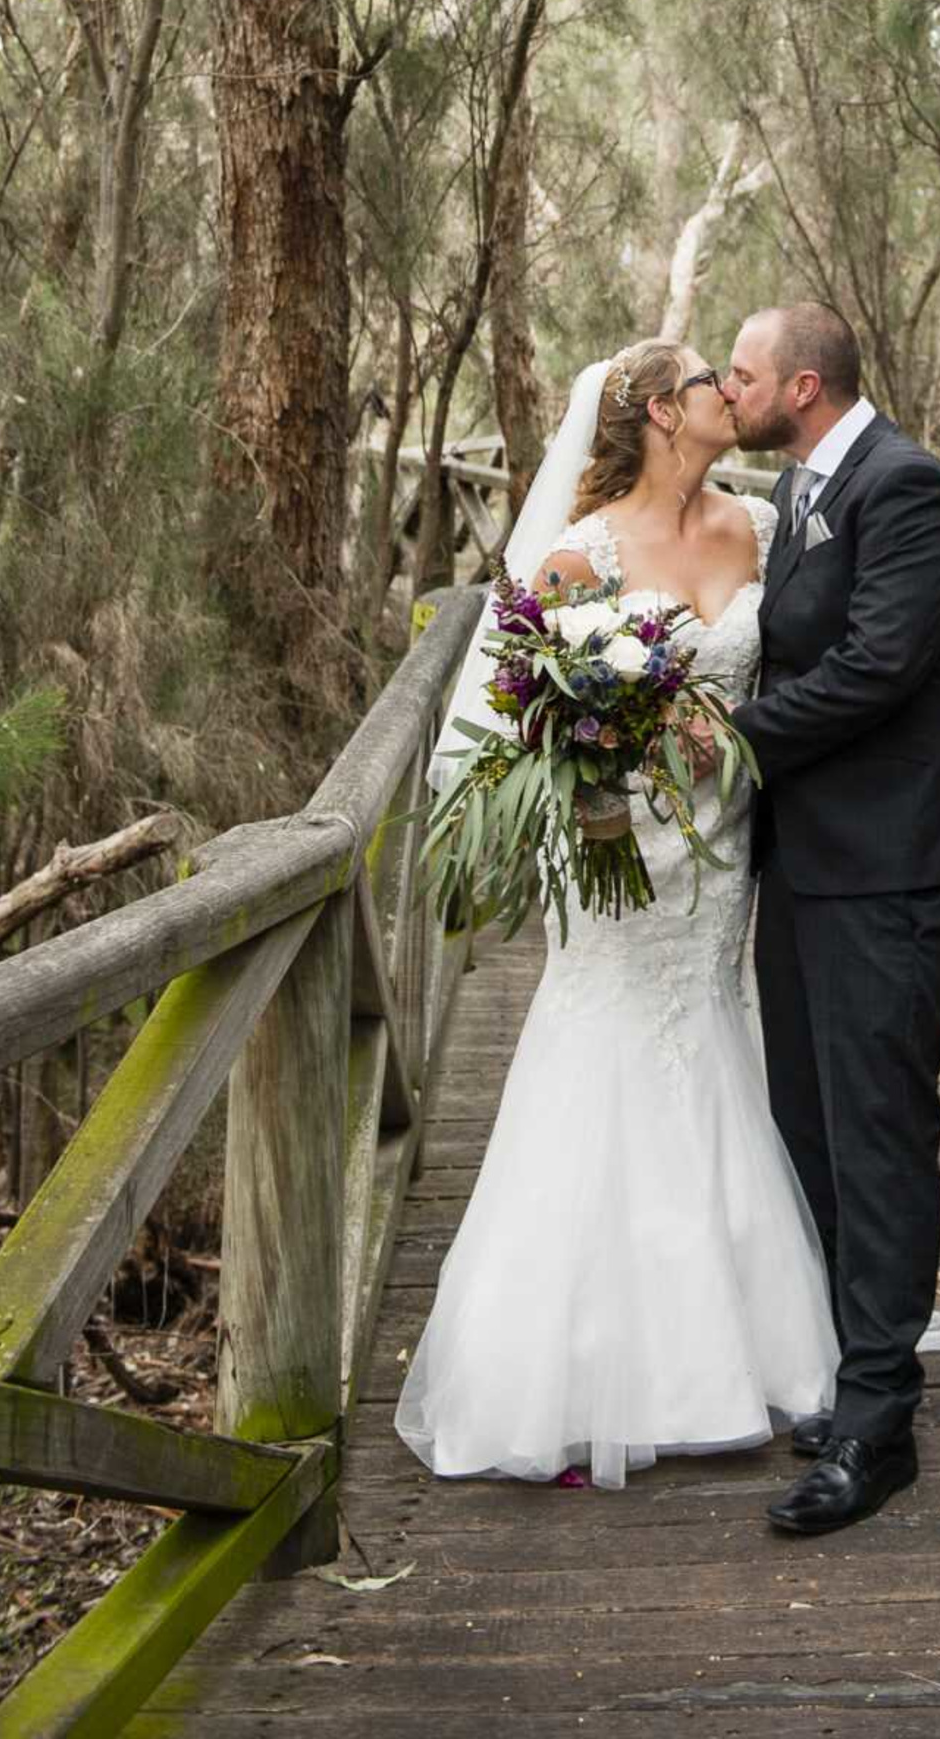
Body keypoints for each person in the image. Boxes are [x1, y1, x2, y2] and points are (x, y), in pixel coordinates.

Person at [393, 340, 837, 1488]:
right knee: (608, 1048)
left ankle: (736, 1341)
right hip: (618, 852)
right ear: (655, 410)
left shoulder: (754, 527)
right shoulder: (578, 553)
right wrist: (617, 742)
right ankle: (576, 1369)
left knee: (708, 1039)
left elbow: (795, 662)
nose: (727, 397)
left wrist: (733, 737)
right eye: (708, 384)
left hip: (723, 845)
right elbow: (513, 714)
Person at [722, 301, 940, 1536]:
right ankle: (854, 1369)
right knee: (811, 1124)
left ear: (799, 384)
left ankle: (878, 1426)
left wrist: (722, 739)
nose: (717, 385)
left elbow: (877, 666)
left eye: (735, 371)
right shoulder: (798, 487)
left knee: (879, 1133)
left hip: (890, 866)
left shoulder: (908, 489)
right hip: (805, 861)